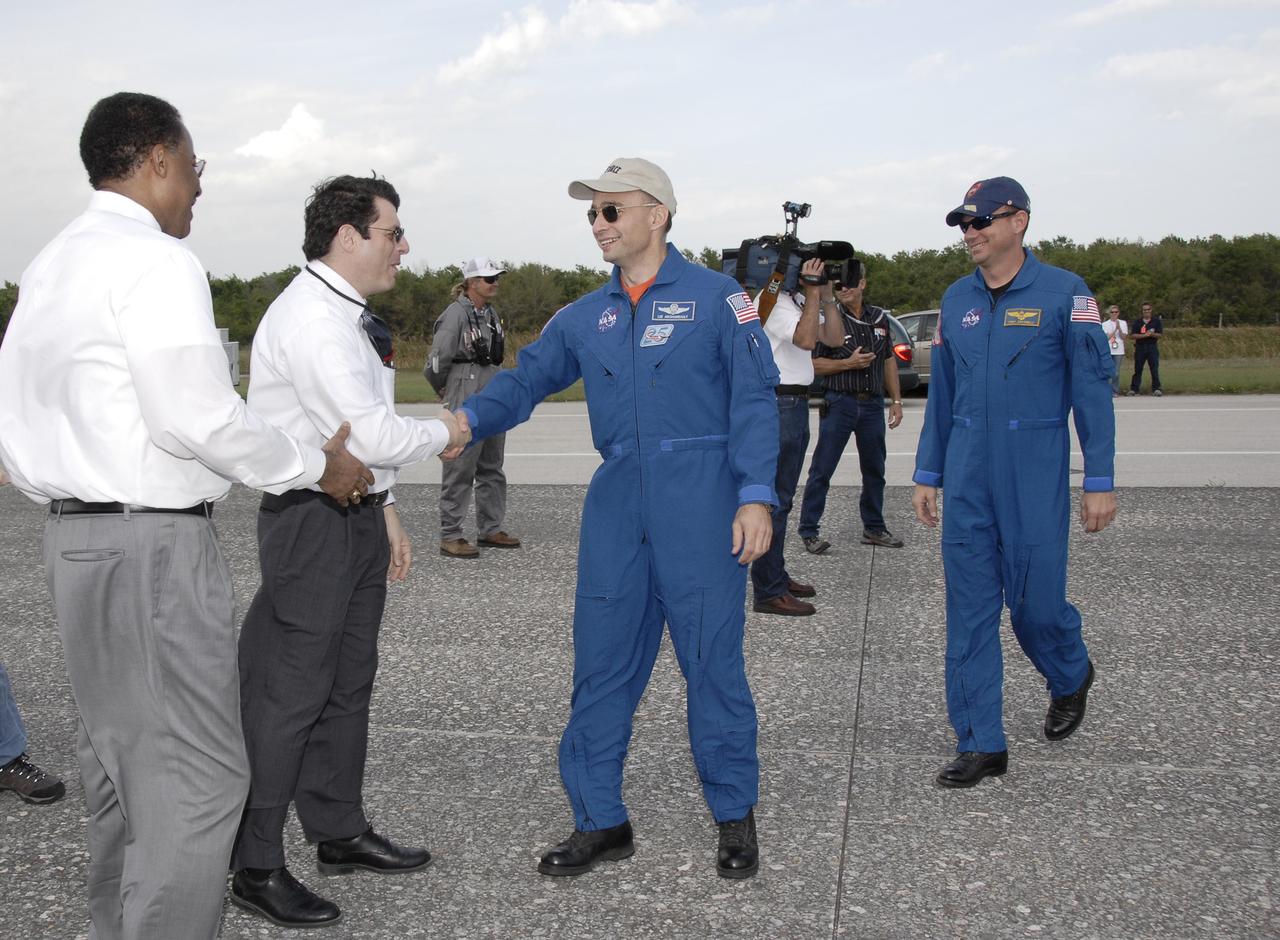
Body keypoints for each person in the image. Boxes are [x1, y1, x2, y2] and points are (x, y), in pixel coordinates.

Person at [0, 92, 372, 940]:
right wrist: (320, 467)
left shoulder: (52, 264)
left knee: (124, 776)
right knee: (201, 782)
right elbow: (197, 416)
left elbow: (13, 423)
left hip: (74, 538)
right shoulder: (155, 261)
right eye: (196, 167)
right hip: (149, 547)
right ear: (160, 158)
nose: (199, 187)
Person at [454, 158, 779, 879]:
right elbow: (527, 379)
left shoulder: (720, 301)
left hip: (703, 500)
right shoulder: (583, 316)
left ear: (657, 214)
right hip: (618, 503)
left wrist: (756, 494)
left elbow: (756, 402)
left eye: (612, 210)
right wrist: (466, 419)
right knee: (599, 667)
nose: (598, 224)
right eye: (593, 214)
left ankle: (734, 817)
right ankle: (599, 820)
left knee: (712, 668)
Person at [229, 174, 466, 930]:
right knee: (289, 695)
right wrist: (452, 430)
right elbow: (373, 435)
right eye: (392, 231)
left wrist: (386, 508)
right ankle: (255, 864)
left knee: (348, 681)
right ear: (347, 237)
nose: (404, 245)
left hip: (353, 513)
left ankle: (337, 831)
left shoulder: (349, 315)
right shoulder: (313, 322)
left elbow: (363, 437)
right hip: (309, 520)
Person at [911, 176, 1117, 789]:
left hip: (1033, 472)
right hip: (970, 472)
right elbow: (943, 395)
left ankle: (1070, 671)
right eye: (963, 224)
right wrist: (928, 473)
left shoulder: (1064, 293)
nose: (970, 233)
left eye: (981, 222)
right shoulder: (956, 300)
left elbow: (1091, 392)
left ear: (1018, 221)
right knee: (969, 611)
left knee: (1036, 605)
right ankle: (980, 742)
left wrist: (1098, 478)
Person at [749, 258, 844, 616]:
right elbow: (806, 339)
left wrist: (826, 295)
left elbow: (832, 339)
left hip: (795, 404)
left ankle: (775, 572)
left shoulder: (798, 301)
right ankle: (767, 590)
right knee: (775, 500)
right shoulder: (770, 299)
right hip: (778, 404)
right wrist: (812, 292)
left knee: (784, 498)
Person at [797, 260, 905, 555]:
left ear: (863, 285)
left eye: (850, 284)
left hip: (871, 405)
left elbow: (887, 360)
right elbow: (811, 363)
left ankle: (874, 527)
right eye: (840, 285)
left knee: (874, 470)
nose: (844, 289)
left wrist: (895, 400)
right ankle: (809, 530)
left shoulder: (879, 318)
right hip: (839, 403)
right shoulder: (828, 319)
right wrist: (847, 363)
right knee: (822, 469)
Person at [428, 257, 520, 558]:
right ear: (471, 283)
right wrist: (449, 391)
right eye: (488, 278)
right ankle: (451, 534)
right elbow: (436, 361)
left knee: (492, 466)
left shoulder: (492, 315)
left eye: (497, 278)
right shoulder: (454, 315)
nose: (495, 283)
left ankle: (490, 528)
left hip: (492, 393)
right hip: (464, 390)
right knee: (460, 466)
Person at [1128, 301, 1163, 396]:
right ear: (1142, 311)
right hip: (1140, 347)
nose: (1146, 311)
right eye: (1144, 310)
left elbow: (1160, 335)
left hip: (1152, 347)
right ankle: (1134, 389)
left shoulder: (1156, 321)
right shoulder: (1138, 322)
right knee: (1138, 369)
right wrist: (1144, 335)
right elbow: (1133, 335)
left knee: (1154, 368)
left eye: (1148, 309)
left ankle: (1156, 388)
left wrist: (1152, 334)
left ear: (1151, 310)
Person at [1102, 304, 1129, 396]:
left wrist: (1119, 328)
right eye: (1112, 312)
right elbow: (1106, 338)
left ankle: (1114, 390)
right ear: (1109, 313)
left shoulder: (1123, 323)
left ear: (1118, 313)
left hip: (1119, 350)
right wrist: (1114, 330)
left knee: (1116, 372)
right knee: (1108, 371)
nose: (1114, 314)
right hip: (1109, 349)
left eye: (1116, 312)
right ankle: (1107, 389)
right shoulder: (1105, 324)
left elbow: (1123, 337)